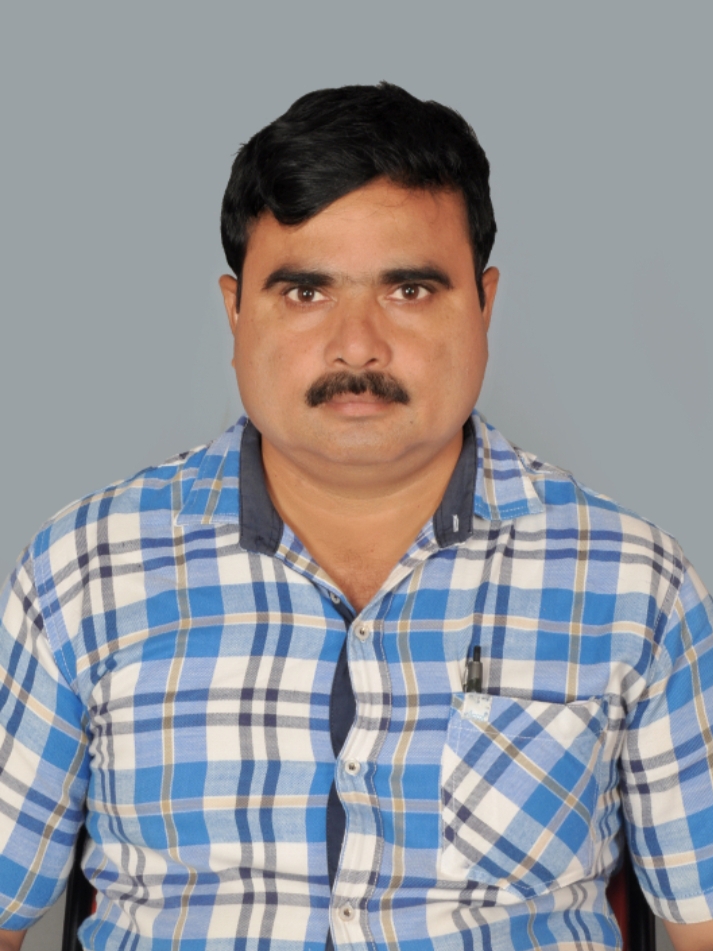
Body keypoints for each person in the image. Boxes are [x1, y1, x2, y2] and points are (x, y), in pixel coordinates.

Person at [0, 82, 711, 951]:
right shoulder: (83, 572)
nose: (357, 345)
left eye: (408, 289)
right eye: (305, 292)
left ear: (484, 305)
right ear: (234, 311)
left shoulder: (634, 585)